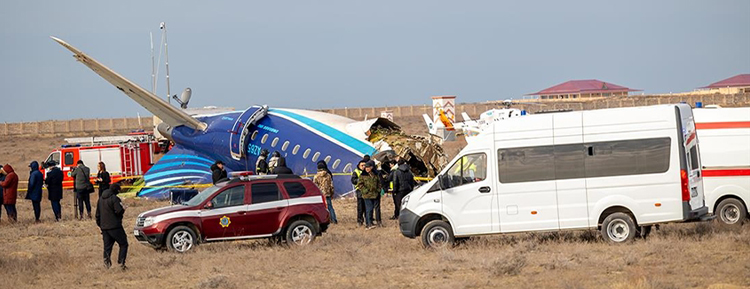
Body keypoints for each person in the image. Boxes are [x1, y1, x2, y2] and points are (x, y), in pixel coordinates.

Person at [95, 184, 128, 270]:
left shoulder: (100, 199)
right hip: (115, 226)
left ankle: (107, 265)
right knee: (123, 243)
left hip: (104, 227)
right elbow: (118, 211)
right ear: (116, 190)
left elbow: (97, 215)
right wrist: (123, 209)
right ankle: (121, 264)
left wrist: (101, 225)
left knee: (107, 247)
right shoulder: (114, 199)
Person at [356, 161, 381, 230]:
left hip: (375, 194)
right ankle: (368, 224)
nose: (367, 169)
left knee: (372, 209)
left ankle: (371, 222)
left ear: (371, 167)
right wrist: (365, 191)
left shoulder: (375, 175)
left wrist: (378, 190)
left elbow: (379, 183)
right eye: (366, 167)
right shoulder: (362, 175)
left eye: (368, 167)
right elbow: (360, 185)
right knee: (368, 209)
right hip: (367, 195)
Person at [351, 160, 367, 226]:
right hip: (360, 191)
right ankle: (360, 220)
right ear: (359, 166)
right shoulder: (356, 172)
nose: (363, 167)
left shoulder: (367, 171)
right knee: (360, 207)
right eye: (362, 165)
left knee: (367, 207)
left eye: (364, 165)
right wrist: (360, 180)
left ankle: (368, 220)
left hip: (367, 191)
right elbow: (353, 180)